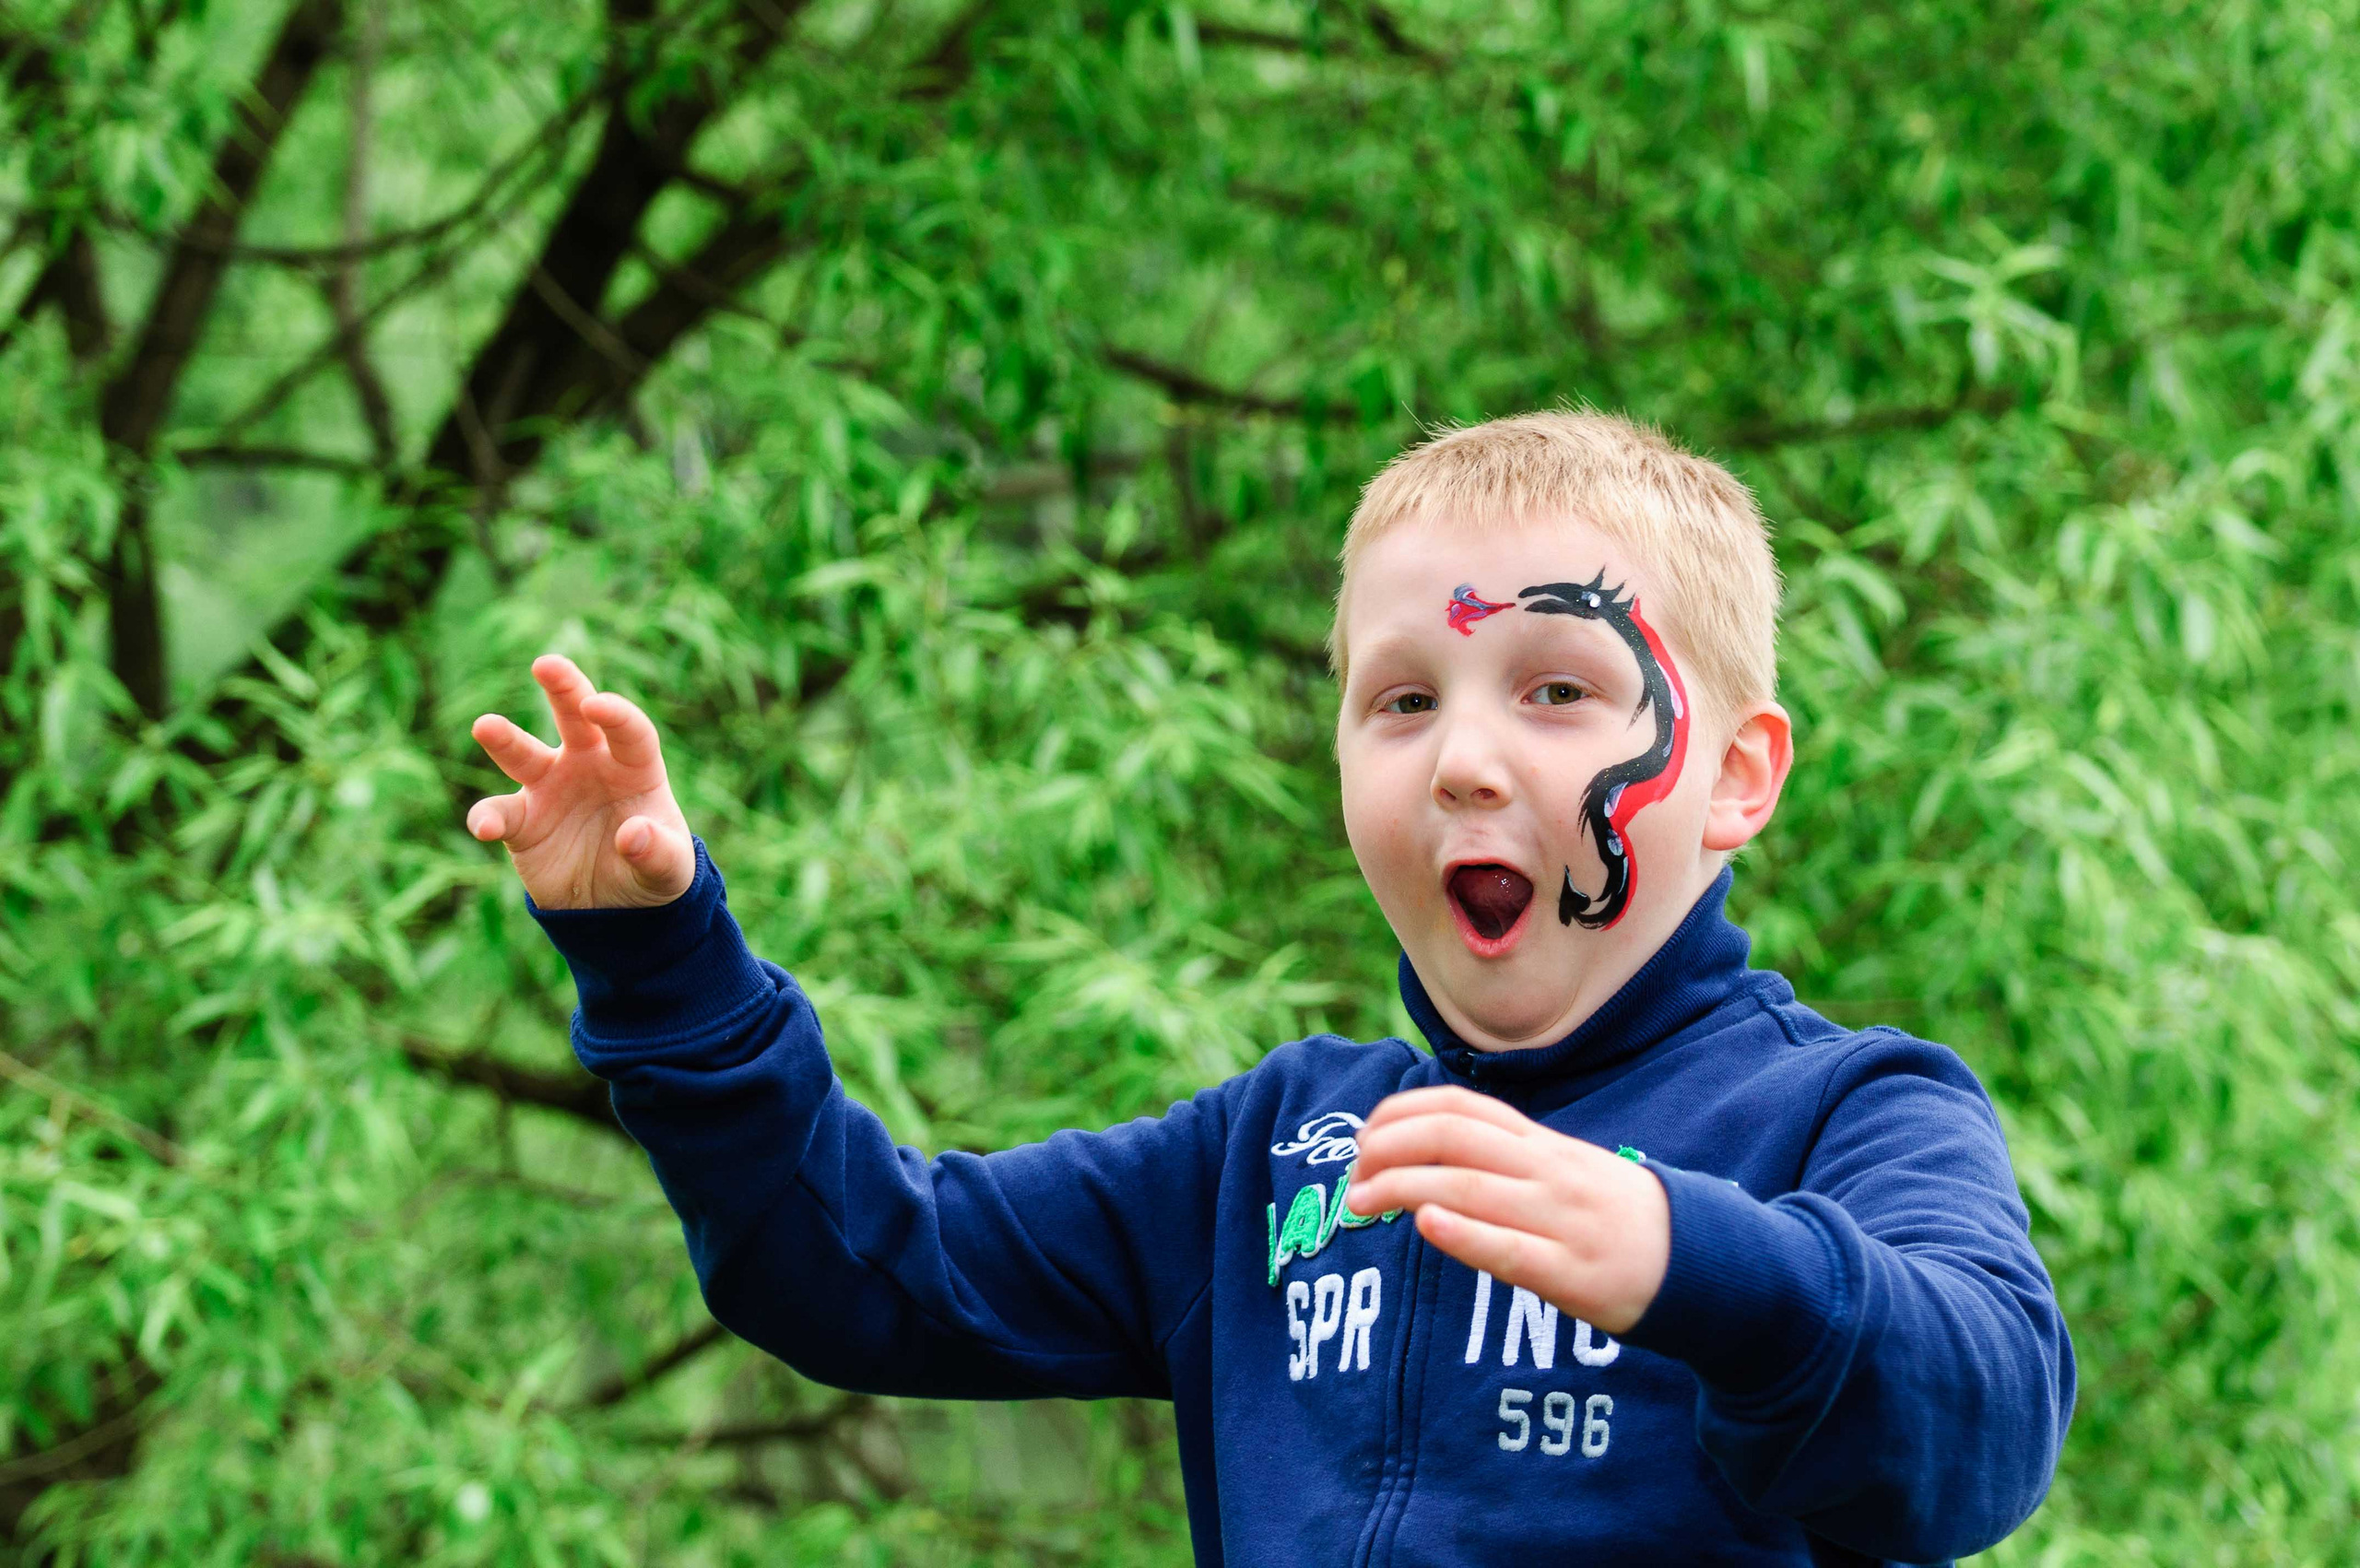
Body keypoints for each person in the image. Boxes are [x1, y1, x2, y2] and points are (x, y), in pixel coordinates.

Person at [465, 411, 2073, 1565]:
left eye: (1561, 690)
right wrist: (663, 956)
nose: (1462, 759)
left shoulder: (1849, 1113)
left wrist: (1688, 1260)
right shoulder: (1277, 1152)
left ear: (1735, 776)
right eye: (1400, 700)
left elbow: (1982, 1426)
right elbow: (861, 1264)